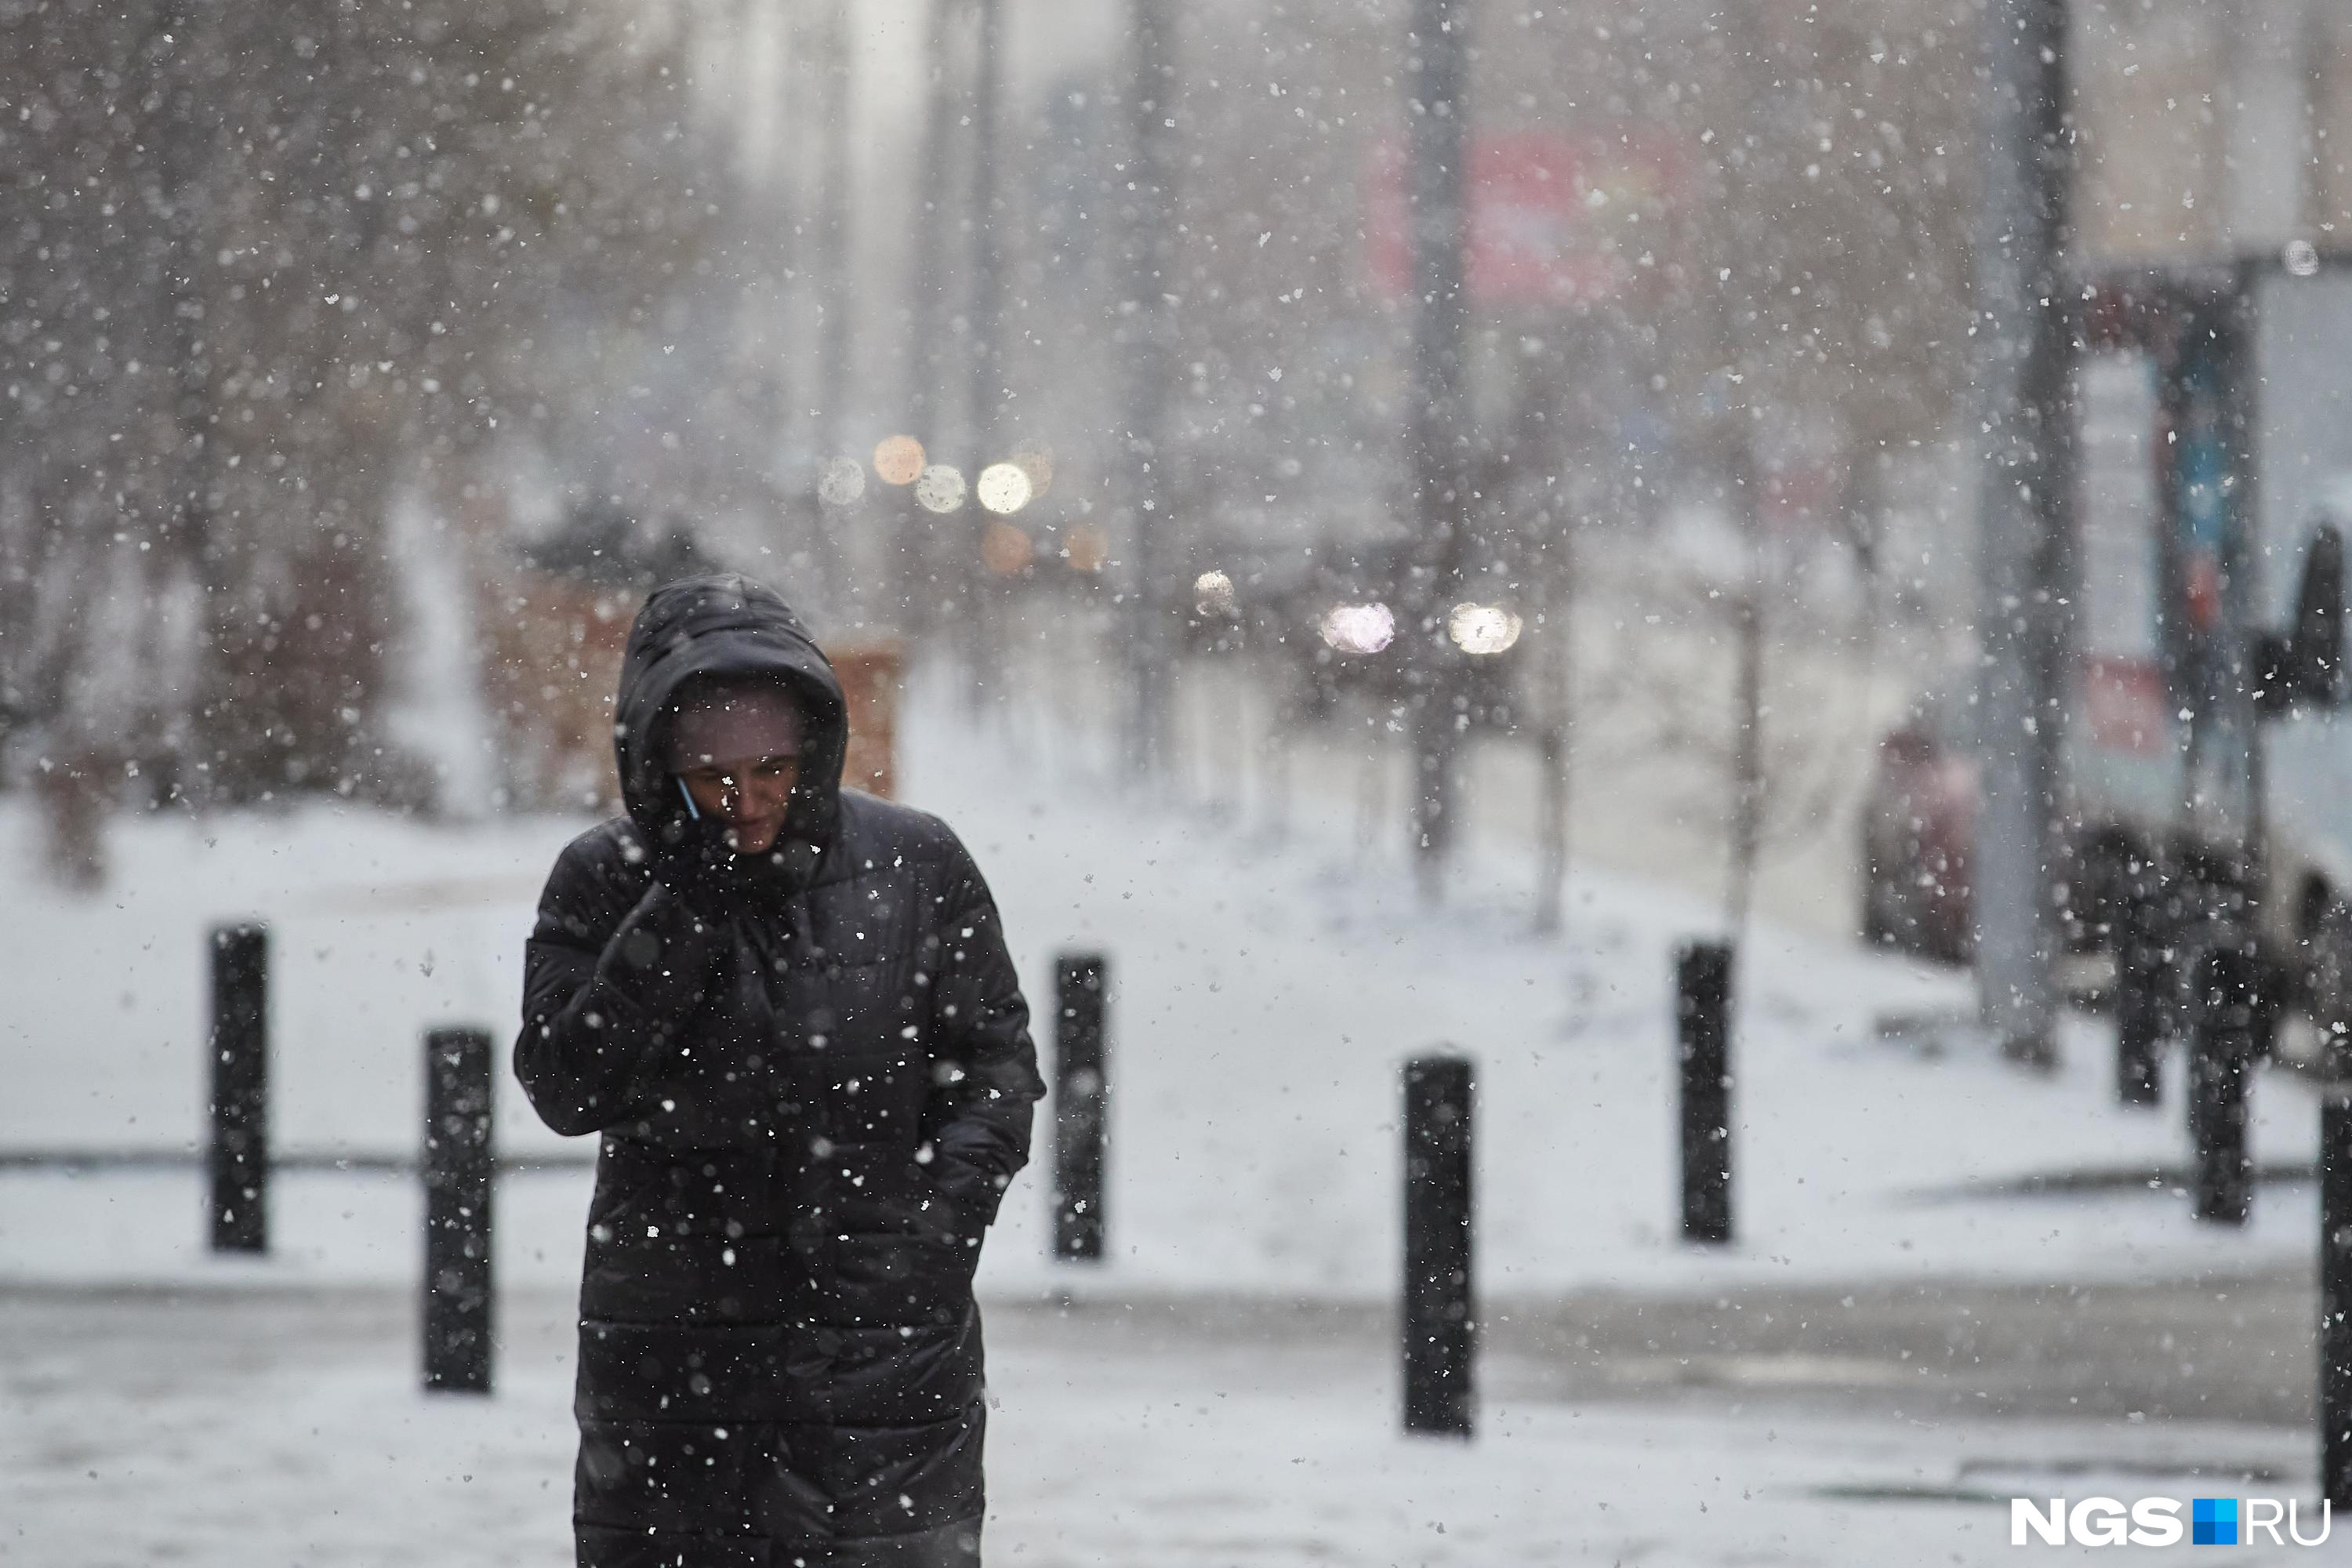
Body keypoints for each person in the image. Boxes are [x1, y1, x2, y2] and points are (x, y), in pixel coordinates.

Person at [515, 572, 1044, 1568]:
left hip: (881, 1367)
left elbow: (995, 1069)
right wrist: (681, 910)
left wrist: (928, 1243)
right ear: (658, 762)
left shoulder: (915, 864)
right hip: (673, 1366)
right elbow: (567, 1085)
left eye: (772, 769)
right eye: (713, 776)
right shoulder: (605, 880)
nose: (748, 801)